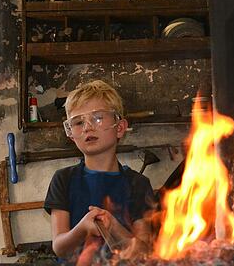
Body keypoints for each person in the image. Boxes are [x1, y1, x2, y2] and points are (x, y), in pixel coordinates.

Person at [44, 80, 156, 261]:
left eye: (97, 117)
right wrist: (82, 228)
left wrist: (113, 227)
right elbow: (59, 248)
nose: (88, 126)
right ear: (72, 135)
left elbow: (143, 253)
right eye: (79, 122)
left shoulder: (138, 184)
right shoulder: (63, 179)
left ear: (120, 128)